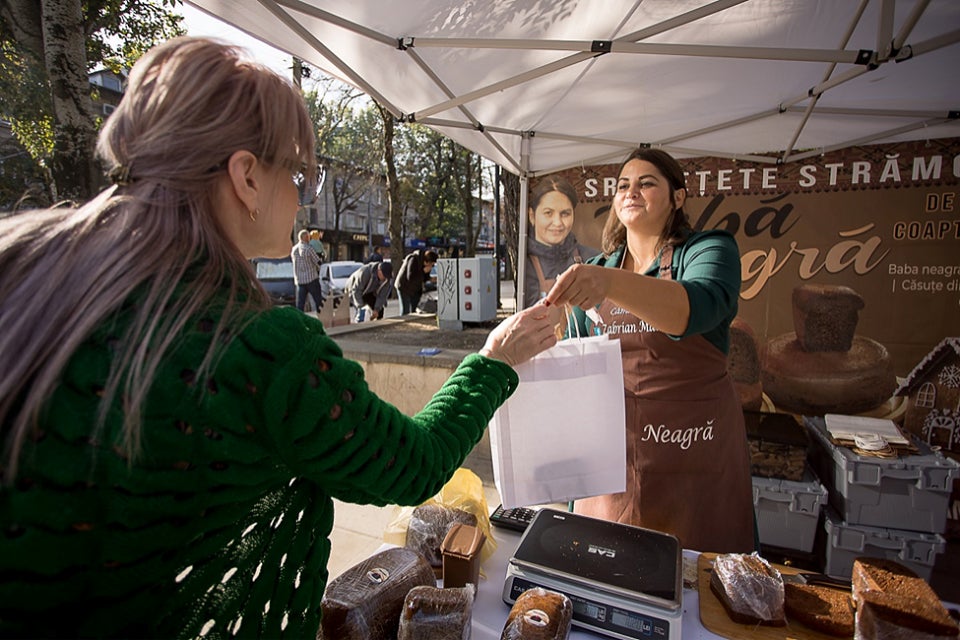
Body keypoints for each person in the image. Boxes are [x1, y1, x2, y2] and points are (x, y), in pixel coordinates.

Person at [0, 37, 558, 638]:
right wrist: (495, 358)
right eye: (295, 174)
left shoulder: (25, 267)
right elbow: (412, 466)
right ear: (245, 177)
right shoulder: (256, 348)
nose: (299, 198)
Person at [543, 147, 755, 554]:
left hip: (695, 457)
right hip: (613, 463)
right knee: (605, 573)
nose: (631, 191)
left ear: (678, 198)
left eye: (646, 183)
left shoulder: (709, 250)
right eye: (623, 185)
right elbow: (578, 357)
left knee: (696, 586)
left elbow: (692, 309)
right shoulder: (603, 266)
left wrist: (608, 283)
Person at [523, 175, 597, 309]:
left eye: (565, 214)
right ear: (532, 216)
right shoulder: (523, 265)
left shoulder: (592, 260)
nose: (557, 223)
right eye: (548, 213)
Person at [395, 248, 439, 315]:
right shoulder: (414, 259)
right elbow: (410, 277)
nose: (431, 266)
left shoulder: (425, 265)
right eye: (432, 264)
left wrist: (432, 279)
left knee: (414, 308)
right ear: (426, 262)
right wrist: (423, 271)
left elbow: (424, 278)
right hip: (404, 286)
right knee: (405, 310)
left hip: (414, 288)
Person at [291, 228, 324, 313]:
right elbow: (318, 261)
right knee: (318, 301)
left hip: (300, 280)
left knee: (300, 304)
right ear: (305, 238)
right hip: (311, 278)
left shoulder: (294, 249)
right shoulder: (309, 249)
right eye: (309, 237)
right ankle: (322, 318)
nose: (310, 239)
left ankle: (300, 320)